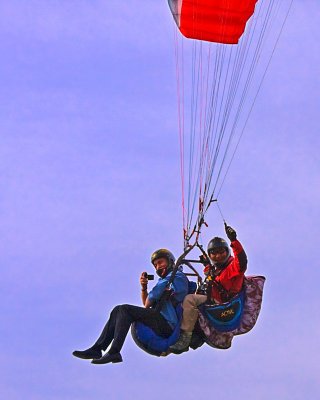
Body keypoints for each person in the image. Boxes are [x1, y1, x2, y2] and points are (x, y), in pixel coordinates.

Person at [73, 249, 189, 364]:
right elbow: (146, 304)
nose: (158, 267)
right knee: (118, 310)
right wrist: (144, 288)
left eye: (161, 262)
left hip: (168, 324)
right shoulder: (165, 281)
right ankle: (97, 349)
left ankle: (114, 351)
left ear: (170, 261)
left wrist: (156, 292)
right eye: (155, 265)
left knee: (125, 310)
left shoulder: (176, 277)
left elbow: (148, 302)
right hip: (159, 319)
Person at [169, 224, 247, 353]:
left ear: (227, 252)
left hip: (225, 304)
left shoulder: (233, 268)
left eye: (221, 252)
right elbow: (212, 277)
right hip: (213, 301)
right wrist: (206, 265)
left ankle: (185, 338)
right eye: (214, 254)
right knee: (189, 294)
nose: (218, 256)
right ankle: (192, 335)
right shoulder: (215, 271)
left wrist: (234, 241)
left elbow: (242, 262)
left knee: (190, 300)